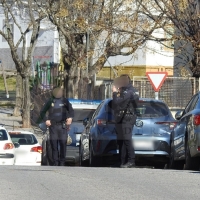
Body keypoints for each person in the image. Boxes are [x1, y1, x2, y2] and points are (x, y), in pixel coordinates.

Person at [37, 87, 74, 166]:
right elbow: (42, 112)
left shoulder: (65, 101)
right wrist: (46, 120)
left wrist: (70, 118)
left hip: (62, 126)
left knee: (63, 144)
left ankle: (62, 162)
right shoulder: (50, 101)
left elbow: (71, 111)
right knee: (54, 145)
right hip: (53, 126)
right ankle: (55, 162)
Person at [112, 74, 139, 168]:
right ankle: (122, 161)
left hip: (127, 117)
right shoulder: (129, 90)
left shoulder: (129, 91)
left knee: (127, 139)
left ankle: (131, 161)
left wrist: (115, 93)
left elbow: (117, 103)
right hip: (125, 117)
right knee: (122, 140)